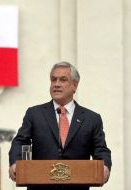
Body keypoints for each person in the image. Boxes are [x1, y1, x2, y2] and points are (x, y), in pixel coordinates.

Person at [8, 62, 111, 190]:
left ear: (75, 85)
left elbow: (100, 149)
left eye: (63, 80)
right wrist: (15, 162)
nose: (56, 84)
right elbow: (20, 141)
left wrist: (105, 166)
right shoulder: (34, 114)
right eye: (53, 80)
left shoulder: (91, 119)